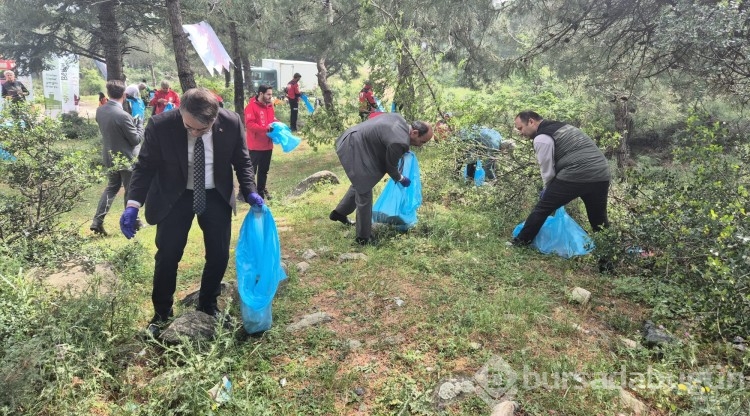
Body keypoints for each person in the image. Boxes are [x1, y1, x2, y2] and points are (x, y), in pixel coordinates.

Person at [119, 87, 263, 336]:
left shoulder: (230, 122)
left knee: (218, 254)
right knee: (168, 255)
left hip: (215, 194)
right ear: (181, 111)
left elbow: (242, 160)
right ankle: (162, 313)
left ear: (215, 118)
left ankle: (207, 304)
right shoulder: (160, 124)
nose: (195, 133)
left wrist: (249, 190)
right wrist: (133, 205)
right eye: (190, 128)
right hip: (175, 197)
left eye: (202, 130)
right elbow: (145, 167)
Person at [510, 111, 612, 270]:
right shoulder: (560, 126)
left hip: (577, 172)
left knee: (543, 208)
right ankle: (608, 264)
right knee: (599, 221)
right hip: (601, 173)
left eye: (521, 128)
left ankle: (521, 242)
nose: (521, 133)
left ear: (531, 122)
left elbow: (547, 171)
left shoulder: (541, 137)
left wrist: (547, 191)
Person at [330, 113, 433, 245]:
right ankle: (363, 237)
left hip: (359, 141)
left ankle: (339, 213)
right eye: (422, 141)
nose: (421, 145)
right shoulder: (399, 141)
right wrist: (401, 179)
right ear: (414, 132)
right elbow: (391, 168)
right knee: (364, 190)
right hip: (353, 145)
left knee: (362, 183)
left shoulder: (399, 119)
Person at [90, 80, 144, 235]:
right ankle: (133, 221)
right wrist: (139, 125)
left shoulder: (100, 111)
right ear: (124, 95)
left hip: (109, 156)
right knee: (130, 190)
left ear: (108, 94)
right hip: (126, 159)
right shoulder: (123, 115)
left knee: (111, 188)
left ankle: (97, 221)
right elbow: (135, 140)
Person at [244, 84, 279, 200]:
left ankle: (260, 192)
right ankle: (246, 192)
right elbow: (250, 125)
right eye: (268, 94)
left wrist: (278, 124)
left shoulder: (270, 106)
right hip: (255, 145)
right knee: (251, 171)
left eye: (271, 94)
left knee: (264, 171)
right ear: (261, 94)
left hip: (268, 144)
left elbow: (272, 120)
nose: (270, 97)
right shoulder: (251, 107)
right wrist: (266, 129)